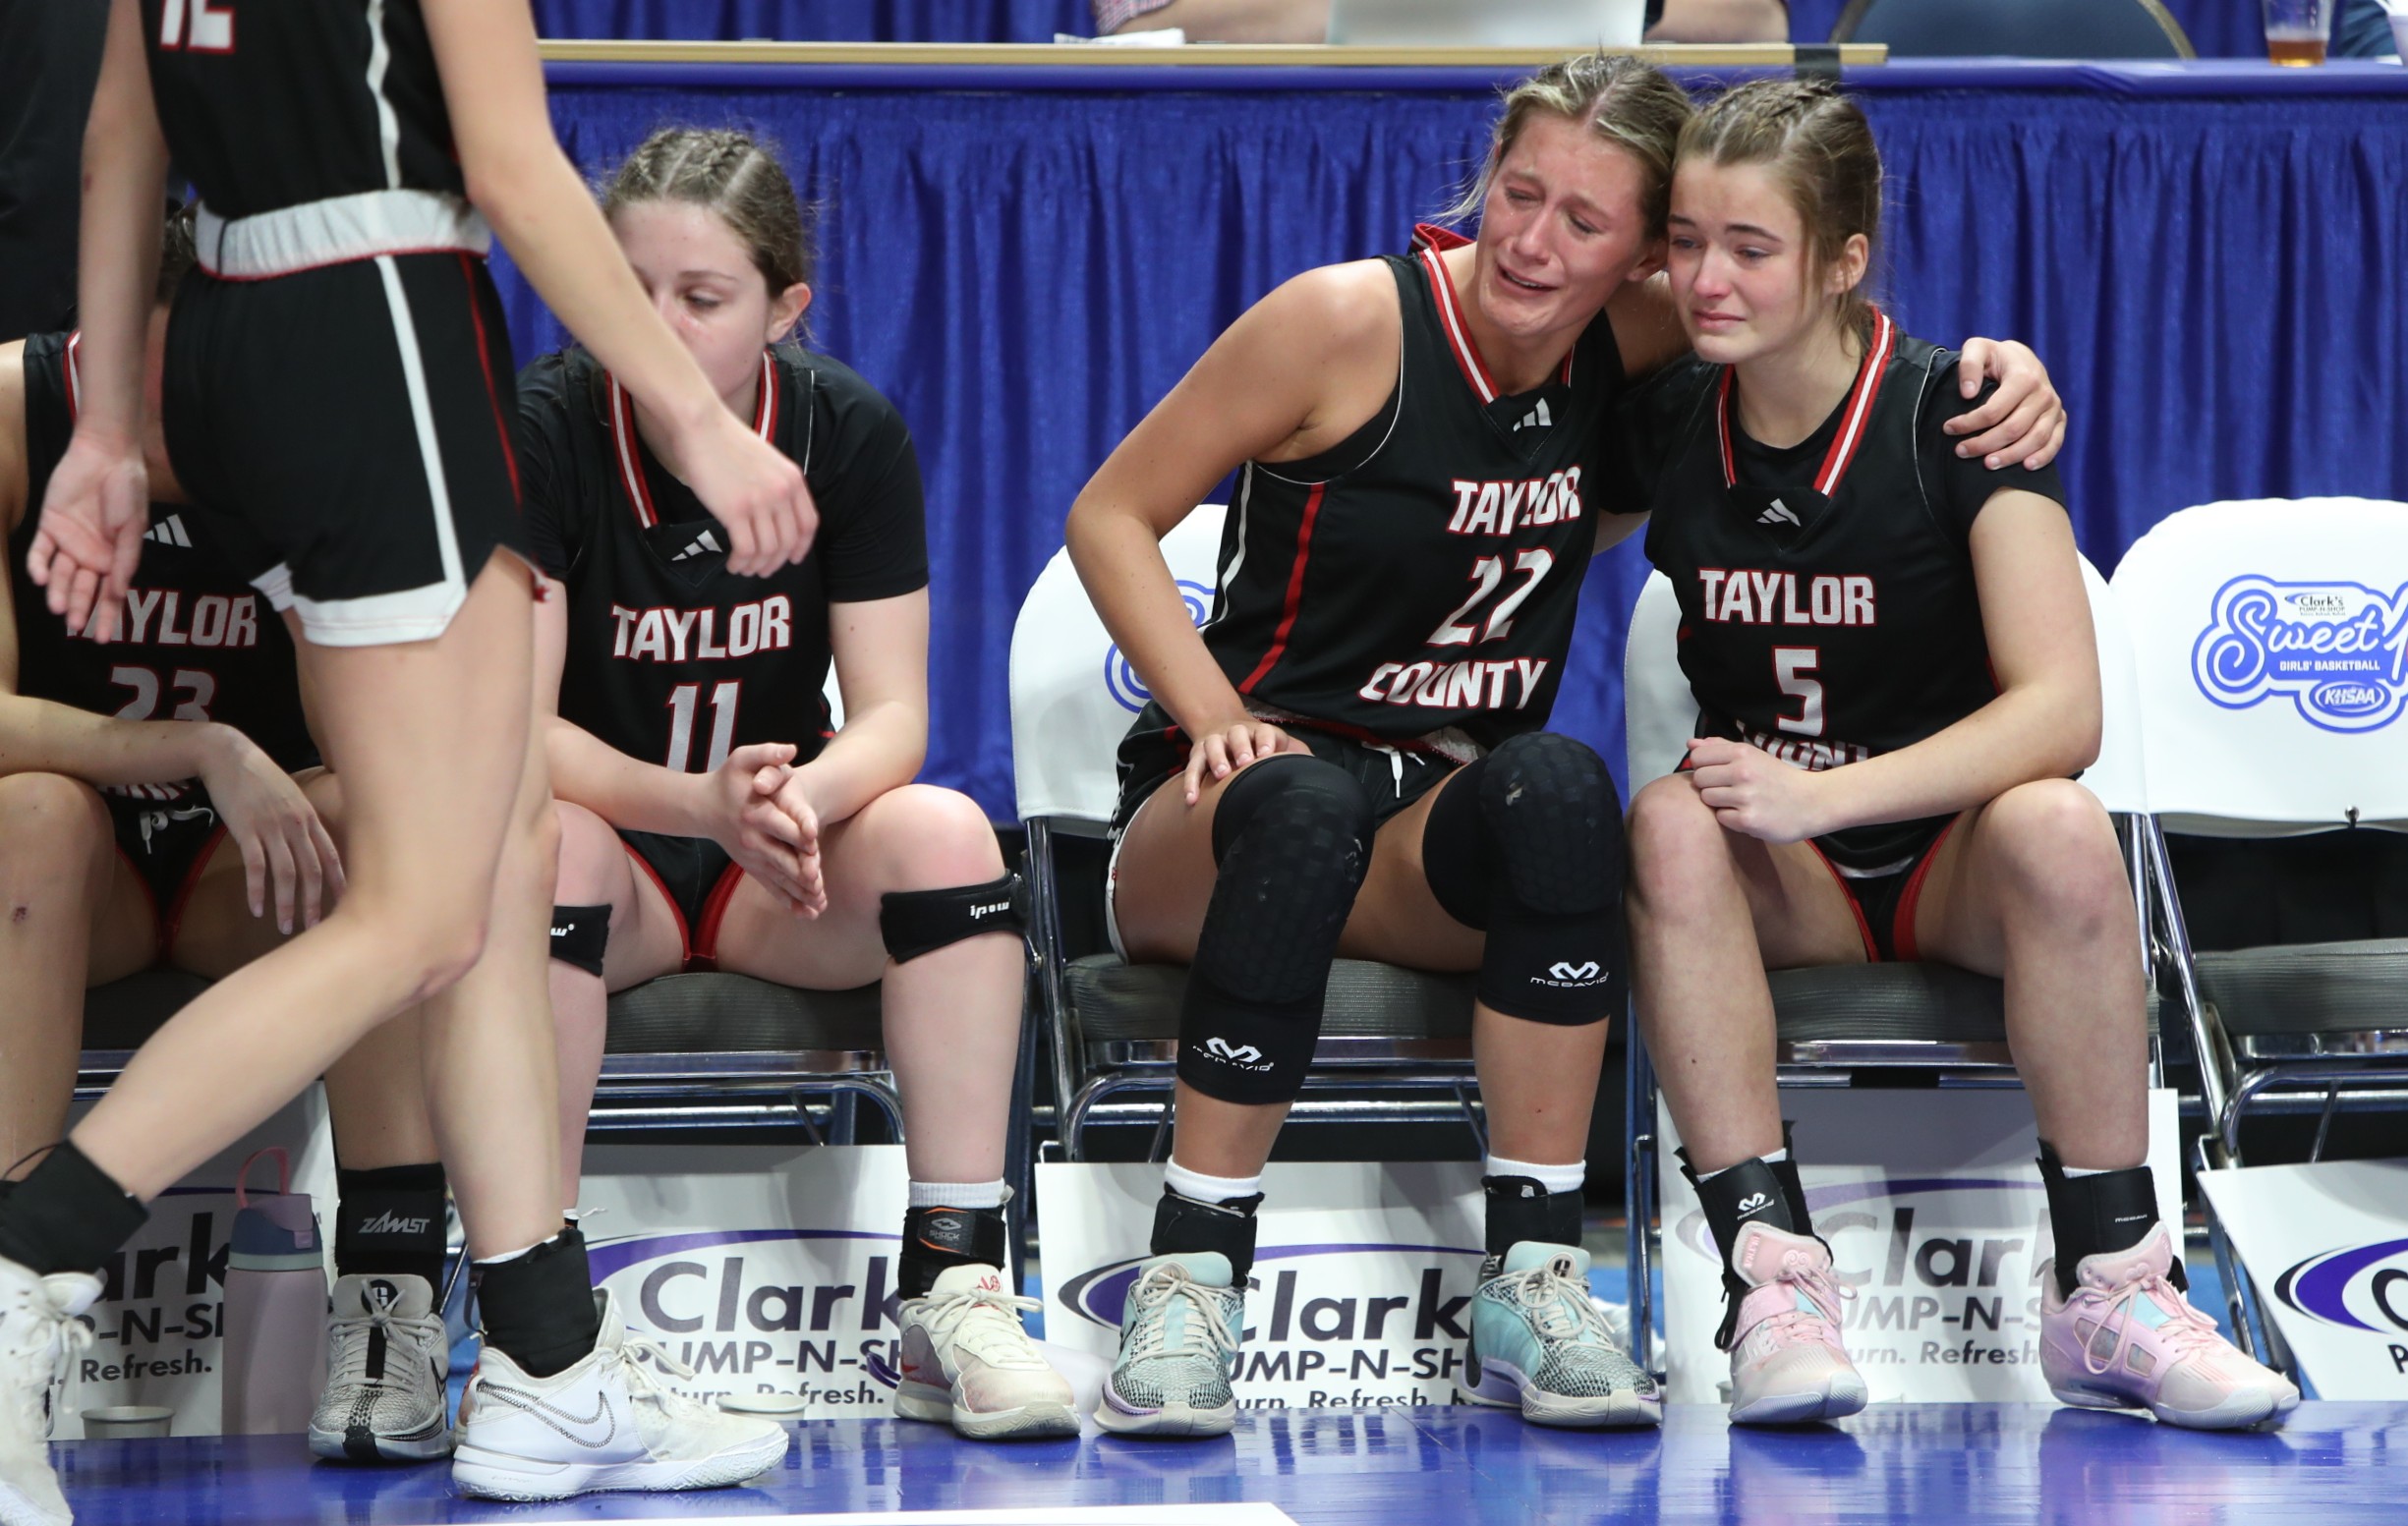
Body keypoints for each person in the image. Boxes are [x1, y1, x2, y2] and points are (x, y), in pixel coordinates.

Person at [1063, 52, 2063, 1438]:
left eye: (1585, 221)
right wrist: (1215, 711)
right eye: (1515, 195)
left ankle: (1533, 1276)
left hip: (1422, 822)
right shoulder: (1343, 322)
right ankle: (1189, 1272)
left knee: (1559, 789)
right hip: (1218, 810)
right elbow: (1107, 515)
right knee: (1299, 808)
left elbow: (1811, 320)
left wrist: (1994, 376)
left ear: (1642, 257)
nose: (1534, 241)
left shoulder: (1642, 338)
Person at [0, 0, 817, 1516]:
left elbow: (122, 134)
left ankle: (549, 1366)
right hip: (378, 320)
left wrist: (111, 423)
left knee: (494, 837)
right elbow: (510, 163)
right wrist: (699, 420)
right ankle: (26, 1256)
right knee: (426, 916)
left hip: (235, 319)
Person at [1619, 77, 2298, 1429]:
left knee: (2055, 816)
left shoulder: (1961, 413)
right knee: (1664, 817)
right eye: (1685, 240)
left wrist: (1825, 793)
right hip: (1783, 877)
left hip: (1946, 860)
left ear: (1842, 260)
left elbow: (2062, 711)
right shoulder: (1657, 414)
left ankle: (2108, 1284)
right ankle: (1770, 1283)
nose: (1705, 278)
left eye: (1749, 247)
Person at [512, 126, 1076, 1441]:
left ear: (785, 308)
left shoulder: (844, 429)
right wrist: (699, 804)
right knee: (539, 844)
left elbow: (892, 717)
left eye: (699, 300)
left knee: (940, 830)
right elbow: (512, 735)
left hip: (778, 865)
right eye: (625, 287)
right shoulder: (544, 427)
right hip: (625, 862)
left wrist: (794, 806)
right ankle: (541, 1317)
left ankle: (954, 1285)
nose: (653, 327)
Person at [0, 209, 335, 1191]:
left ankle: (383, 1269)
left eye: (195, 392)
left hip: (240, 871)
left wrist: (287, 533)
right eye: (135, 390)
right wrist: (199, 748)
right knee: (35, 813)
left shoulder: (309, 437)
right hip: (70, 865)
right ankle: (16, 1258)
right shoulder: (13, 414)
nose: (166, 422)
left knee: (385, 831)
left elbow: (373, 737)